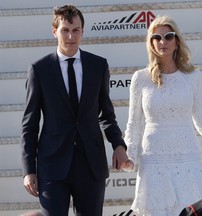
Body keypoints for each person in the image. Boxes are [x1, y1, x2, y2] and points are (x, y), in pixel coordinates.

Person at [123, 15, 202, 215]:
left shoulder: (193, 77)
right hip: (153, 156)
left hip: (188, 156)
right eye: (156, 37)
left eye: (168, 36)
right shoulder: (141, 78)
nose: (162, 42)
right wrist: (129, 156)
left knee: (194, 210)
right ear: (151, 42)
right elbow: (134, 124)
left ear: (177, 41)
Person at [21, 5, 129, 215]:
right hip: (52, 166)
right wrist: (28, 170)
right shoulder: (39, 69)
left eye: (76, 30)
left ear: (83, 31)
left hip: (90, 165)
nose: (71, 36)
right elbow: (30, 124)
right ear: (55, 31)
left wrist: (118, 144)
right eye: (65, 30)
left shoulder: (98, 66)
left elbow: (106, 114)